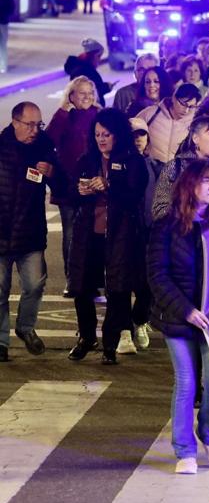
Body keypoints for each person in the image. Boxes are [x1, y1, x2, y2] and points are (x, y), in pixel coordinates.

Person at [146, 159, 209, 474]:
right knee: (186, 381)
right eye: (206, 180)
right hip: (178, 317)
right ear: (189, 185)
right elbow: (157, 275)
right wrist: (186, 310)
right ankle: (184, 449)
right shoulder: (166, 225)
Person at [66, 109, 149, 365]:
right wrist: (80, 190)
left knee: (118, 289)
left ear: (118, 135)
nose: (101, 139)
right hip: (88, 232)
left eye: (107, 134)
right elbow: (71, 192)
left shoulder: (133, 161)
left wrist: (109, 185)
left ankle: (110, 344)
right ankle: (87, 336)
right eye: (97, 134)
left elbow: (134, 196)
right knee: (81, 286)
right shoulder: (87, 159)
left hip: (121, 233)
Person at [0, 103, 59, 361]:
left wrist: (53, 173)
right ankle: (1, 343)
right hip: (1, 232)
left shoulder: (45, 147)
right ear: (15, 122)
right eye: (29, 124)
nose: (35, 129)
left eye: (38, 124)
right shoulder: (1, 148)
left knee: (35, 284)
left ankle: (25, 328)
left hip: (31, 232)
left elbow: (63, 183)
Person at [46, 76, 102, 284]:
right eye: (82, 93)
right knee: (70, 230)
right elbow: (49, 139)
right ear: (71, 96)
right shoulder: (64, 116)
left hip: (93, 182)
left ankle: (93, 280)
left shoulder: (99, 114)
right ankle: (73, 278)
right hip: (67, 182)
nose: (87, 97)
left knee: (94, 232)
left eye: (90, 92)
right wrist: (62, 111)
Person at [151, 116, 209, 222]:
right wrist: (189, 211)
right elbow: (158, 210)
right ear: (195, 138)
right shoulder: (175, 166)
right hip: (180, 232)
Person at [136, 83, 200, 164]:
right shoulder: (152, 113)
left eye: (191, 107)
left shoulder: (194, 123)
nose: (186, 110)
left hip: (176, 172)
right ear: (174, 98)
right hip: (149, 168)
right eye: (183, 104)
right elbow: (129, 131)